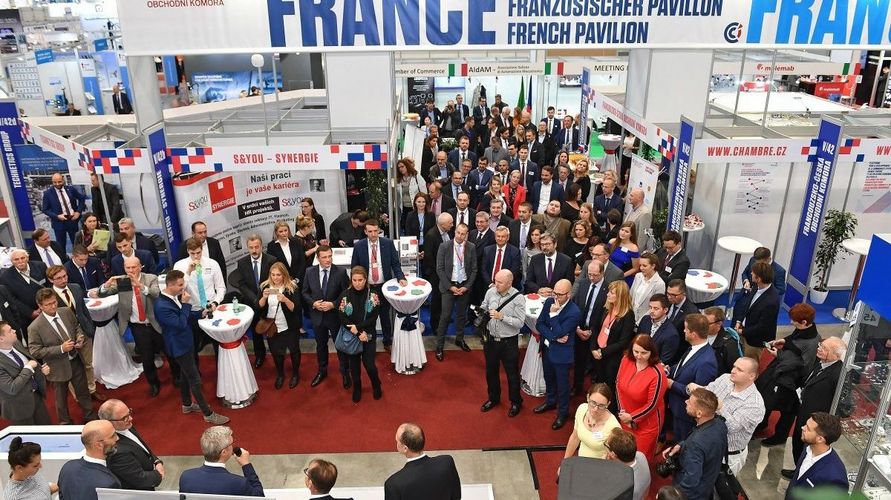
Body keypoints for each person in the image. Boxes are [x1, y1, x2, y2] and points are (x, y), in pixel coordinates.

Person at [154, 271, 229, 425]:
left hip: (186, 342)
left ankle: (187, 404)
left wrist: (201, 313)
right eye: (180, 285)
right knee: (195, 380)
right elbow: (180, 323)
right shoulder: (161, 306)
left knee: (185, 375)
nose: (184, 287)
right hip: (179, 346)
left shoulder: (173, 297)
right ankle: (208, 414)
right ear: (170, 285)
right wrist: (187, 304)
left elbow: (185, 316)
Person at [98, 256, 169, 397]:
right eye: (128, 268)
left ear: (140, 266)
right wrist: (107, 284)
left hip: (156, 323)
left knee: (168, 351)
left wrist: (139, 285)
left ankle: (178, 376)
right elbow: (102, 293)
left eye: (133, 267)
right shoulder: (122, 282)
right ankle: (153, 383)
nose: (131, 270)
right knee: (147, 358)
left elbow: (156, 293)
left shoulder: (150, 278)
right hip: (138, 327)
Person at [27, 289, 96, 424]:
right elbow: (35, 351)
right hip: (56, 367)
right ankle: (65, 423)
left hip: (75, 360)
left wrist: (79, 337)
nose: (53, 306)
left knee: (83, 392)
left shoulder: (66, 312)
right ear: (40, 306)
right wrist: (61, 349)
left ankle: (90, 416)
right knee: (61, 399)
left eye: (54, 302)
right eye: (48, 304)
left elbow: (76, 327)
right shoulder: (34, 327)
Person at [689, 357, 765, 475]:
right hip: (704, 441)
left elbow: (731, 427)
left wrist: (720, 407)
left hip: (727, 456)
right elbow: (708, 392)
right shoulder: (725, 378)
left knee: (716, 484)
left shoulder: (755, 404)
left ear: (751, 376)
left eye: (739, 370)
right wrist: (697, 390)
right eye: (734, 366)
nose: (733, 371)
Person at [781, 336, 845, 474]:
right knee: (798, 444)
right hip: (804, 413)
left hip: (817, 423)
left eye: (825, 349)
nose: (819, 349)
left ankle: (803, 473)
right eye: (821, 345)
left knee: (808, 449)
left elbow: (843, 405)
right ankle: (798, 470)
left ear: (836, 355)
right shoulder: (820, 362)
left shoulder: (839, 374)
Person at [662, 388, 727, 500]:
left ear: (699, 413)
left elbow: (691, 480)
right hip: (708, 484)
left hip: (693, 495)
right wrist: (682, 445)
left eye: (690, 402)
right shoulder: (720, 424)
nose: (686, 401)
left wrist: (675, 494)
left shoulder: (695, 444)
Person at [352, 219, 406, 349]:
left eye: (375, 231)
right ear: (365, 232)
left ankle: (387, 341)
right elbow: (355, 267)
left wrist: (401, 277)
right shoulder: (359, 246)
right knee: (368, 316)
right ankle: (369, 342)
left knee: (385, 316)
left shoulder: (387, 243)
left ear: (379, 230)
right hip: (367, 288)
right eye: (370, 231)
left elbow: (395, 263)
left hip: (384, 287)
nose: (373, 234)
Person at [534, 279, 581, 430]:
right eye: (554, 293)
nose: (556, 297)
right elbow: (539, 324)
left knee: (562, 385)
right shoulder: (549, 301)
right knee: (548, 378)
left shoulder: (574, 312)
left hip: (562, 354)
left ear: (568, 295)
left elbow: (561, 332)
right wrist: (553, 337)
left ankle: (563, 413)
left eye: (559, 294)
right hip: (548, 348)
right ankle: (550, 401)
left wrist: (553, 315)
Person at [303, 245, 351, 389]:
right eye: (324, 257)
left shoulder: (341, 272)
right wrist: (313, 303)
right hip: (317, 317)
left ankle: (345, 372)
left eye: (330, 256)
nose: (328, 259)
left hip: (335, 317)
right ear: (318, 258)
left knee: (341, 346)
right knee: (321, 346)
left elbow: (347, 294)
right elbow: (305, 292)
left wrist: (333, 304)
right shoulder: (309, 272)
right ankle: (322, 371)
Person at [480, 269, 525, 417]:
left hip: (508, 343)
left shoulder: (518, 298)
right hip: (491, 340)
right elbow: (484, 306)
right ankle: (493, 398)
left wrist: (502, 317)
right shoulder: (490, 292)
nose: (496, 284)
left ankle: (516, 402)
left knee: (512, 375)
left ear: (509, 283)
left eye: (500, 282)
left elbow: (520, 323)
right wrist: (480, 311)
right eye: (495, 281)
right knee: (491, 372)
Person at [667, 314, 718, 442]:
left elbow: (700, 394)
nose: (684, 331)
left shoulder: (707, 362)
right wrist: (670, 369)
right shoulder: (693, 347)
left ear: (693, 334)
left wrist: (672, 384)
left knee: (683, 444)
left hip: (687, 416)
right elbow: (684, 367)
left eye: (686, 328)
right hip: (677, 408)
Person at [229, 234, 277, 369]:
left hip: (269, 302)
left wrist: (264, 297)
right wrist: (255, 299)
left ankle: (276, 355)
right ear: (247, 247)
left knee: (272, 329)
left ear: (261, 246)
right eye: (251, 247)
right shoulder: (242, 262)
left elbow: (275, 281)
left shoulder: (272, 260)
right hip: (252, 302)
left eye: (257, 247)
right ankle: (260, 355)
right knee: (256, 331)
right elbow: (242, 284)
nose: (254, 250)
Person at [616, 334, 668, 459]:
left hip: (647, 424)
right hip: (625, 416)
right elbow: (618, 384)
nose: (639, 356)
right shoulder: (626, 360)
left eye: (644, 353)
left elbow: (652, 404)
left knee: (640, 458)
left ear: (652, 352)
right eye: (636, 351)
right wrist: (623, 412)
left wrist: (632, 418)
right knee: (623, 454)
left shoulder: (657, 373)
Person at [174, 237, 226, 360]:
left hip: (211, 309)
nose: (196, 256)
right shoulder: (179, 265)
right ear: (188, 251)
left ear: (202, 250)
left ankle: (221, 367)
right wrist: (188, 272)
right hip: (192, 312)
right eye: (192, 253)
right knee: (193, 347)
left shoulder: (212, 264)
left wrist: (215, 302)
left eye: (198, 252)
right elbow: (178, 290)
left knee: (218, 345)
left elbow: (221, 288)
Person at [337, 266, 383, 403]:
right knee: (354, 367)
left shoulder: (373, 295)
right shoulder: (345, 295)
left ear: (365, 279)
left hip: (368, 335)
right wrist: (358, 333)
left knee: (370, 365)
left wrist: (360, 329)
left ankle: (376, 384)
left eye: (360, 280)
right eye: (354, 280)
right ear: (351, 280)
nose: (357, 283)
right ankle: (357, 388)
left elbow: (373, 318)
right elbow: (343, 318)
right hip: (352, 336)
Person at [179, 426, 264, 497]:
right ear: (224, 452)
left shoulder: (186, 477)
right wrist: (246, 465)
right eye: (231, 444)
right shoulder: (239, 483)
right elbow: (259, 496)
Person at [99, 399, 164, 490]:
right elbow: (139, 479)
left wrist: (156, 461)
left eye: (129, 413)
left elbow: (142, 446)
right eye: (124, 418)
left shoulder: (125, 425)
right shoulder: (116, 451)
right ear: (109, 422)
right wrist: (158, 475)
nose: (130, 418)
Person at [384, 423, 461, 500]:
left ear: (405, 448)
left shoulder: (393, 485)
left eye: (397, 441)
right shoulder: (447, 463)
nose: (396, 442)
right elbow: (456, 496)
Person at [435, 222, 477, 360]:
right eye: (458, 232)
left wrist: (467, 286)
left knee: (461, 316)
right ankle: (439, 345)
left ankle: (459, 339)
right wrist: (450, 287)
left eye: (463, 234)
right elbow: (439, 269)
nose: (460, 236)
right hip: (449, 286)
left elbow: (474, 270)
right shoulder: (444, 246)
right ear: (455, 232)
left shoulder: (471, 247)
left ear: (467, 235)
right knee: (445, 316)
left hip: (464, 286)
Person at [591, 280, 636, 406]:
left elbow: (624, 341)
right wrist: (593, 348)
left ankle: (609, 409)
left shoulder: (628, 315)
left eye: (612, 293)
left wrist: (602, 352)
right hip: (597, 352)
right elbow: (595, 328)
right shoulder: (605, 308)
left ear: (620, 296)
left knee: (609, 387)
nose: (608, 295)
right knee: (599, 383)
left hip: (612, 357)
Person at [784, 412, 849, 499]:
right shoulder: (808, 446)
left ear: (820, 439)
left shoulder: (834, 477)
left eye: (808, 428)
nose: (802, 428)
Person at [258, 262, 302, 389]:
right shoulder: (265, 286)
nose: (275, 278)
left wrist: (286, 300)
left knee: (294, 351)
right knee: (276, 352)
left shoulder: (291, 287)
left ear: (284, 275)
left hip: (290, 326)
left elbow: (296, 308)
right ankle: (280, 374)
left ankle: (295, 374)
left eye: (278, 275)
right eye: (273, 275)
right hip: (272, 326)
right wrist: (264, 298)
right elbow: (258, 306)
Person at [0, 321, 51, 425]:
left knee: (46, 429)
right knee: (29, 435)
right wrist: (28, 368)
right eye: (10, 331)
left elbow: (31, 362)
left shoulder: (16, 343)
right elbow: (12, 388)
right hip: (19, 407)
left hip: (36, 396)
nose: (14, 331)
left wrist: (41, 371)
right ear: (1, 339)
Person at [58, 420, 121, 500]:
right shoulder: (108, 484)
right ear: (99, 445)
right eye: (112, 436)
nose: (117, 438)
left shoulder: (68, 467)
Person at [572, 260, 609, 394]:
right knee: (579, 361)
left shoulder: (609, 289)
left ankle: (597, 392)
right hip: (580, 329)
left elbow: (606, 314)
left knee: (597, 365)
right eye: (589, 274)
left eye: (595, 275)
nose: (592, 278)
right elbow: (575, 306)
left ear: (602, 273)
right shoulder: (583, 284)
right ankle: (577, 388)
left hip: (597, 332)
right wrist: (577, 328)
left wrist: (592, 331)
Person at [732, 261, 780, 360]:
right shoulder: (755, 286)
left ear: (759, 278)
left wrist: (742, 331)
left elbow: (762, 326)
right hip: (744, 331)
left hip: (754, 342)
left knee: (750, 364)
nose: (751, 273)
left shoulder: (772, 301)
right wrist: (739, 321)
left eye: (753, 273)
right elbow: (747, 305)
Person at [562, 383, 621, 460]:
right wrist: (565, 461)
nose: (595, 409)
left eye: (601, 406)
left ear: (608, 404)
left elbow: (617, 458)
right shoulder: (582, 409)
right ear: (587, 398)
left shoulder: (614, 427)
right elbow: (575, 437)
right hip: (581, 461)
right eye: (593, 403)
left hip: (600, 465)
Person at [1, 250, 48, 331]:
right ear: (12, 261)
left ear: (27, 258)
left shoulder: (41, 266)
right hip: (27, 318)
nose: (20, 261)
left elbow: (49, 285)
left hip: (47, 308)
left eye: (22, 258)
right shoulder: (5, 277)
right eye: (16, 259)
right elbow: (12, 299)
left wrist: (44, 306)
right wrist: (30, 312)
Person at [41, 173, 85, 251]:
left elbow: (81, 199)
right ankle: (63, 258)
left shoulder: (71, 189)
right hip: (58, 223)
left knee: (77, 244)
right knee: (60, 246)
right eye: (55, 182)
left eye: (59, 181)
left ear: (63, 180)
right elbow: (45, 209)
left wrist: (78, 212)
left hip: (72, 221)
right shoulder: (47, 194)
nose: (57, 184)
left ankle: (78, 257)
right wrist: (57, 216)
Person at [423, 213, 453, 328]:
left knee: (446, 298)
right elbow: (429, 257)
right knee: (437, 299)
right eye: (450, 223)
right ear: (443, 224)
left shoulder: (449, 232)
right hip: (436, 274)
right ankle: (435, 324)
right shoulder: (431, 235)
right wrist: (440, 272)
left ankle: (444, 318)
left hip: (448, 272)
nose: (452, 225)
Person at [605, 428, 651, 500]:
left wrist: (604, 465)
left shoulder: (621, 486)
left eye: (606, 444)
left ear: (613, 454)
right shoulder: (641, 455)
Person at [637, 294, 680, 365]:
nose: (651, 311)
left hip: (652, 366)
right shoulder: (645, 319)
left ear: (665, 310)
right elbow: (637, 341)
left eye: (656, 308)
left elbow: (664, 360)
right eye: (650, 307)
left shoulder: (671, 334)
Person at [665, 279, 700, 363]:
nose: (669, 297)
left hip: (677, 354)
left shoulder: (692, 312)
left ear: (684, 293)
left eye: (674, 295)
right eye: (668, 293)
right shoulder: (666, 302)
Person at [266, 220, 306, 288]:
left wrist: (296, 279)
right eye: (281, 231)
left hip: (298, 281)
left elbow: (302, 262)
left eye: (285, 230)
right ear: (276, 232)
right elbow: (273, 266)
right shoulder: (271, 246)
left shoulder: (296, 242)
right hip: (281, 282)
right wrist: (285, 280)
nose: (284, 233)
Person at [703, 306, 742, 375]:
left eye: (707, 323)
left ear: (719, 324)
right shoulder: (698, 334)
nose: (703, 326)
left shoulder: (729, 344)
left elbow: (733, 369)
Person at [629, 253, 666, 324]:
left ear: (653, 266)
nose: (641, 268)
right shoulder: (638, 276)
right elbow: (631, 295)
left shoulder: (659, 284)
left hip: (645, 321)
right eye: (640, 265)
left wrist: (640, 322)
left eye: (644, 266)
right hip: (631, 317)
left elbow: (656, 306)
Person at [609, 222, 641, 286]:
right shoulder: (612, 242)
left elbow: (635, 268)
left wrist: (621, 276)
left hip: (623, 278)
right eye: (622, 230)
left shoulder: (633, 248)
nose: (623, 233)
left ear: (631, 234)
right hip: (609, 274)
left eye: (626, 231)